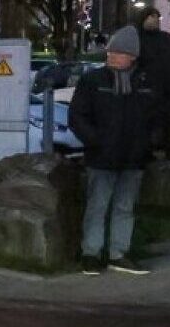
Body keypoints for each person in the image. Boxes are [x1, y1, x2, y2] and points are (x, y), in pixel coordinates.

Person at [70, 25, 163, 274]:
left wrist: (149, 142)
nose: (111, 56)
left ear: (132, 56)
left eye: (117, 52)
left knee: (124, 207)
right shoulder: (92, 81)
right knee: (97, 206)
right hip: (102, 157)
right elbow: (78, 116)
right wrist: (96, 140)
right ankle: (91, 253)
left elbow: (157, 118)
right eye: (110, 52)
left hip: (133, 158)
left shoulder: (146, 83)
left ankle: (118, 253)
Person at [133, 5, 170, 154]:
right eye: (152, 16)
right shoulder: (137, 38)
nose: (156, 20)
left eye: (157, 17)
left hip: (169, 91)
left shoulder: (166, 38)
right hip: (147, 91)